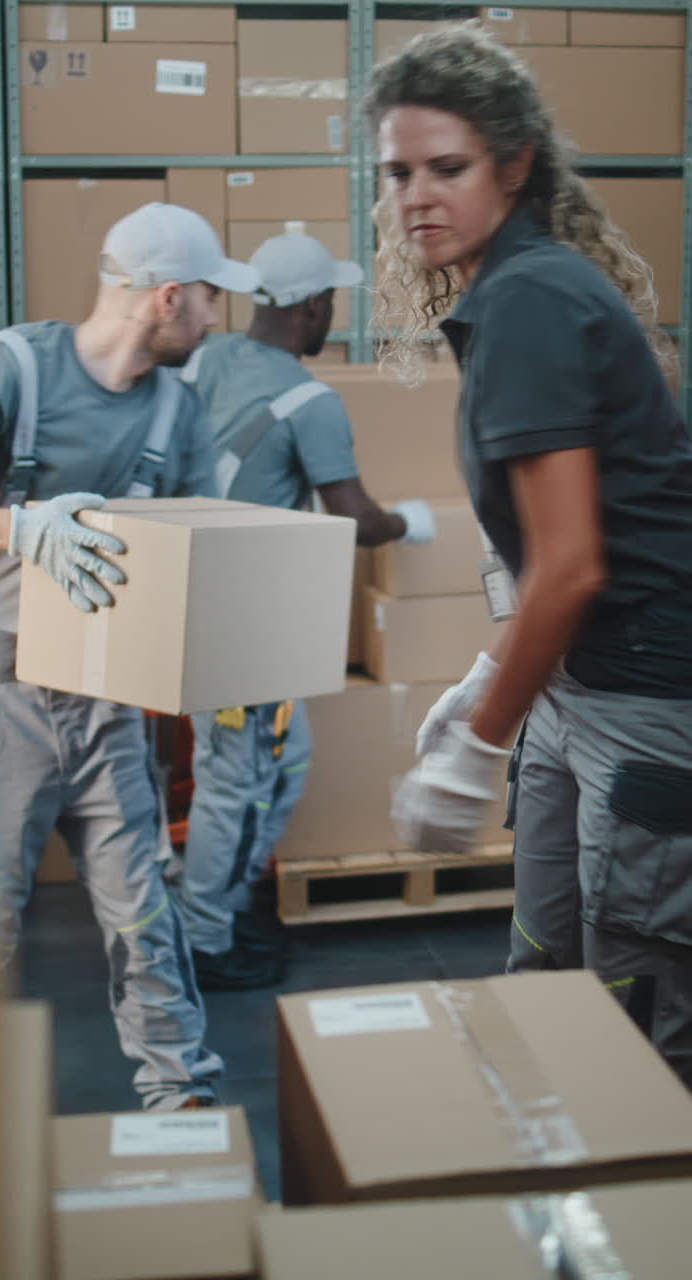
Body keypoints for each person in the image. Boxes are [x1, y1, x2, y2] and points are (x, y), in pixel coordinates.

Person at [365, 22, 692, 1087]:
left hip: (645, 696)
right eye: (398, 171)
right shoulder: (510, 291)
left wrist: (475, 743)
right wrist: (496, 677)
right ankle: (538, 1189)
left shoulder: (535, 302)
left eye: (446, 168)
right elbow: (557, 539)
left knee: (629, 1030)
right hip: (573, 685)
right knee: (544, 964)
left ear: (513, 165)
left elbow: (576, 562)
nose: (417, 194)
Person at [0, 201, 260, 1109]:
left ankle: (186, 1110)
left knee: (144, 917)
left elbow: (194, 557)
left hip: (105, 703)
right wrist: (20, 527)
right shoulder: (9, 366)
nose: (218, 318)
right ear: (167, 298)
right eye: (211, 298)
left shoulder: (176, 413)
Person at [176, 227, 436, 989]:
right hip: (241, 626)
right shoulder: (310, 401)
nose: (334, 317)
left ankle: (219, 903)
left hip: (197, 605)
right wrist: (410, 523)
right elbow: (353, 516)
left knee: (281, 761)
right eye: (332, 302)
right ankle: (205, 943)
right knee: (239, 778)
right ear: (314, 305)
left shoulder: (205, 357)